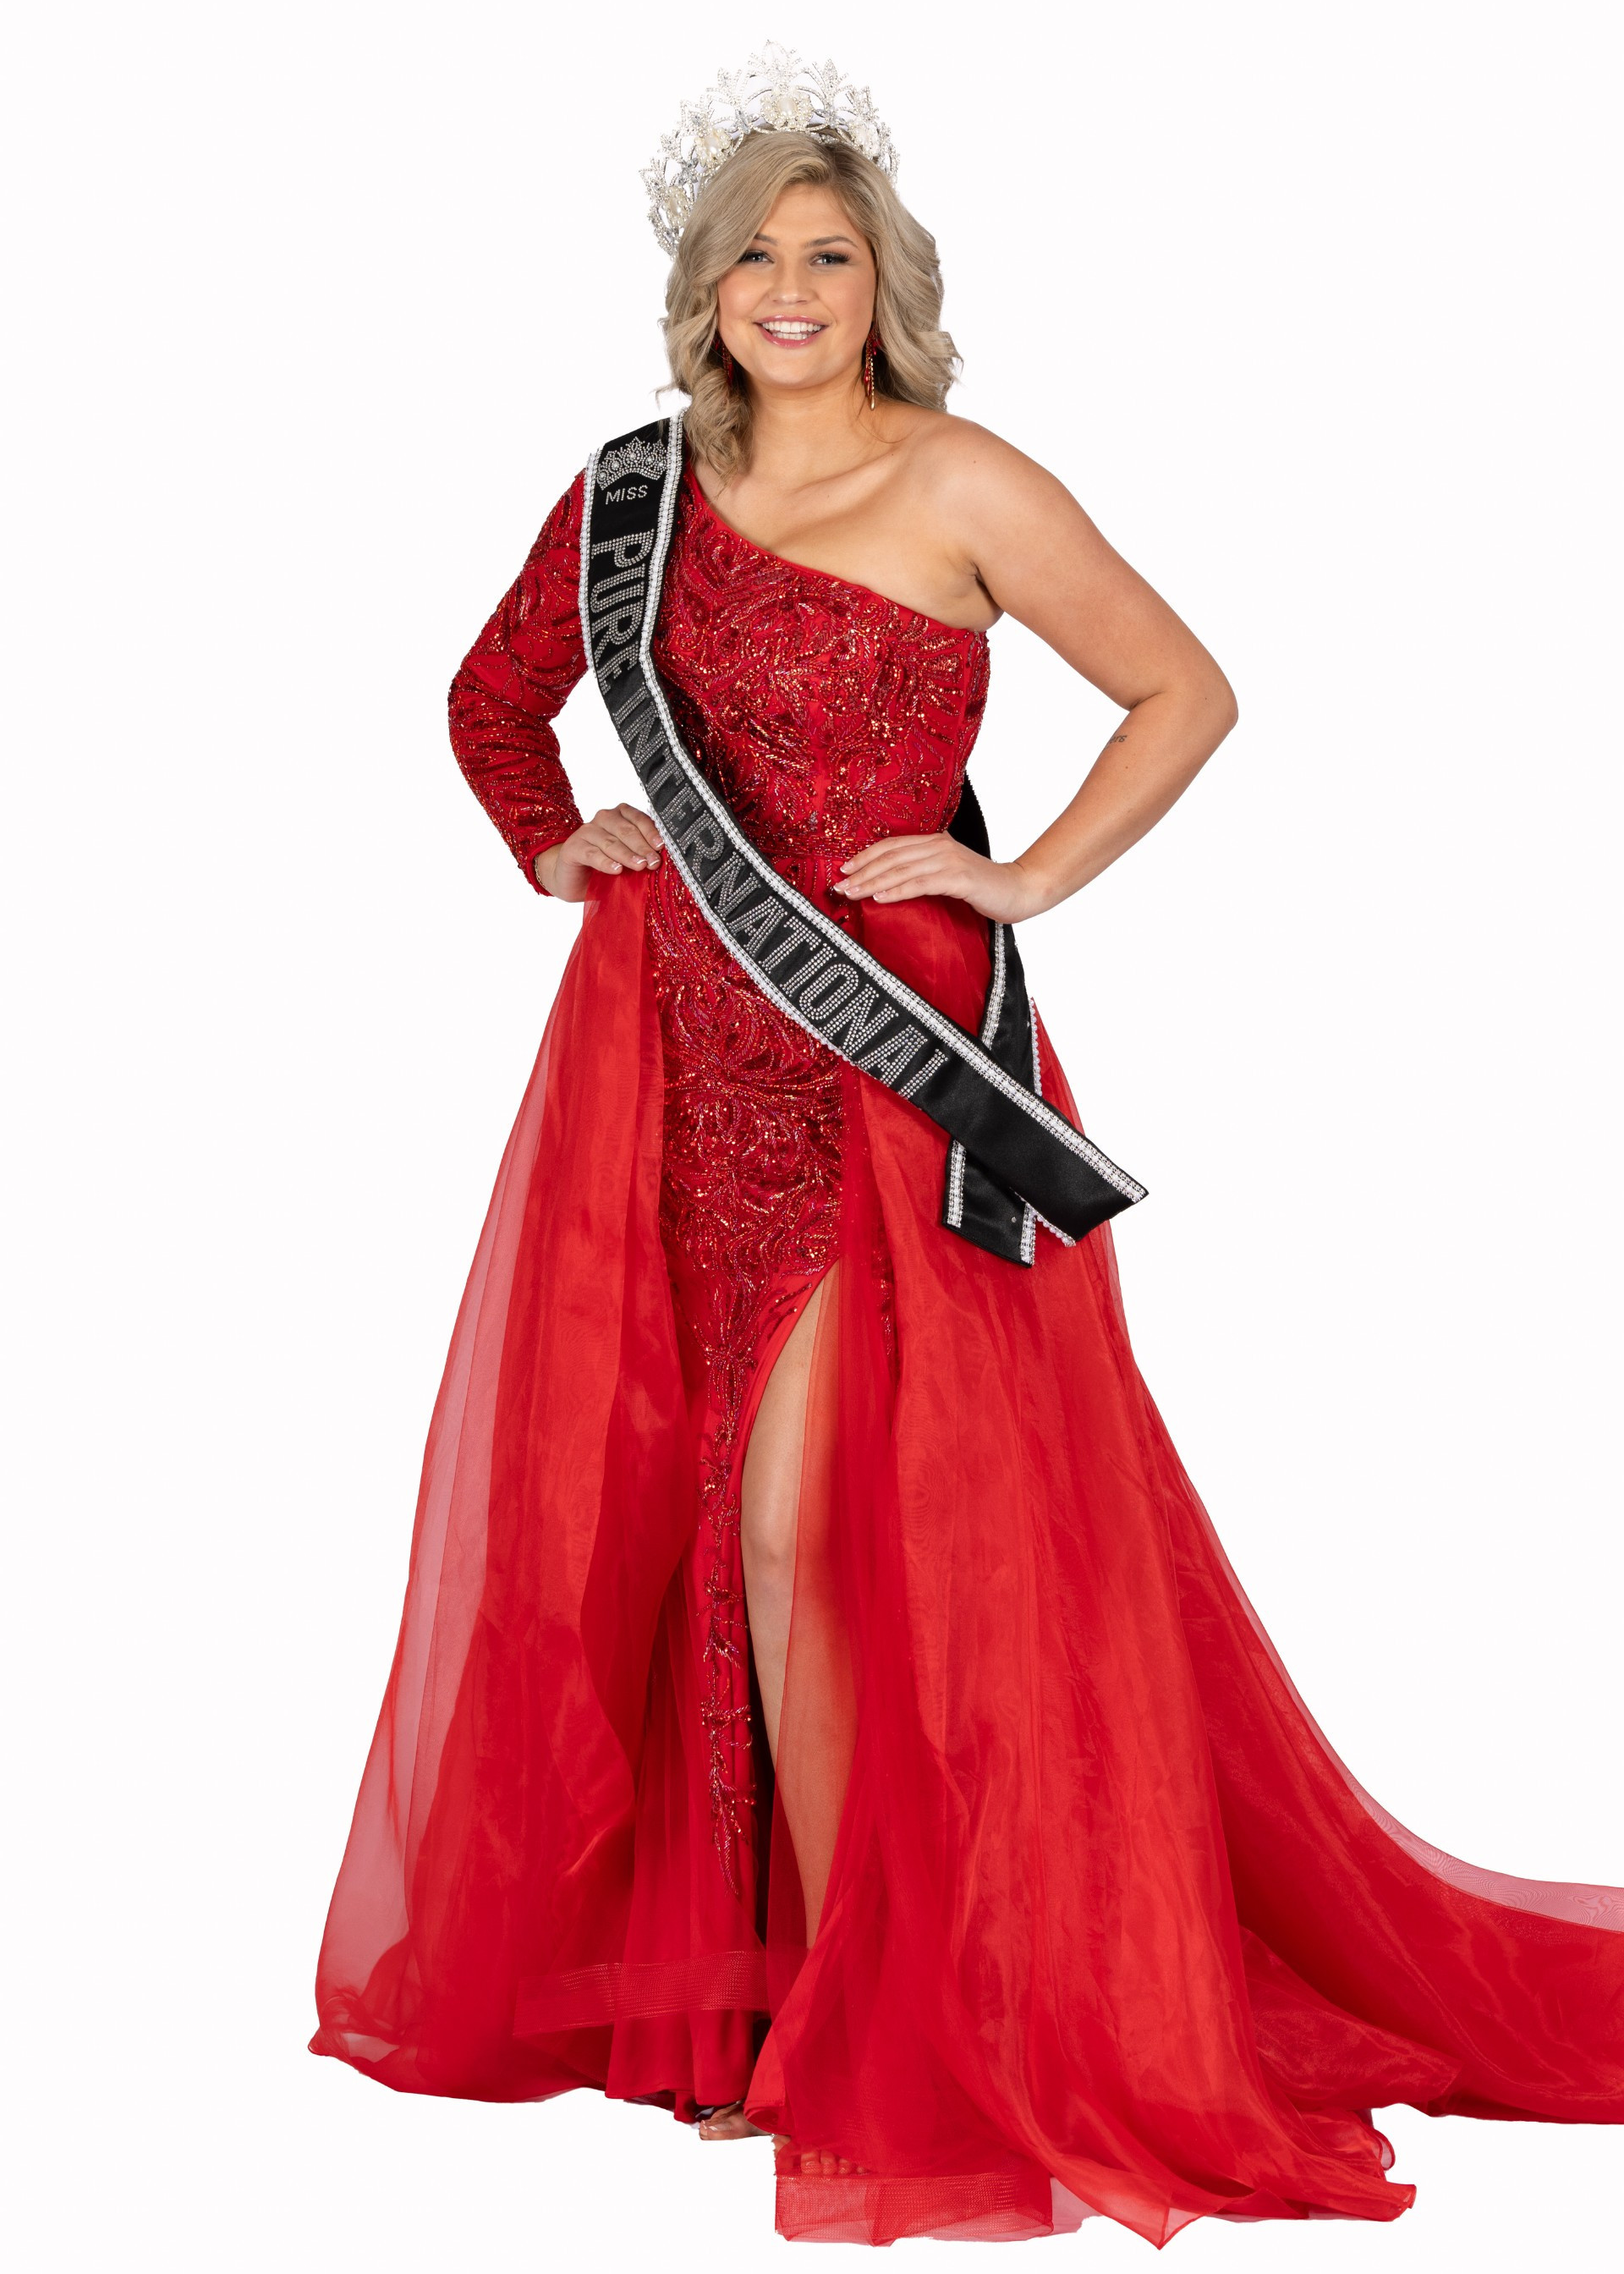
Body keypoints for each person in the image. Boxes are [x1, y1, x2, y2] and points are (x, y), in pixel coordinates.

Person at [311, 46, 1622, 2247]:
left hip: (895, 1077)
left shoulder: (965, 482)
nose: (788, 288)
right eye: (754, 254)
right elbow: (488, 698)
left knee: (812, 1542)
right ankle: (756, 2001)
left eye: (829, 255)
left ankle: (865, 2014)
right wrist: (556, 842)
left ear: (885, 284)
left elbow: (1187, 690)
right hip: (668, 1065)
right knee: (683, 1517)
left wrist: (1026, 880)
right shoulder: (631, 497)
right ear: (702, 286)